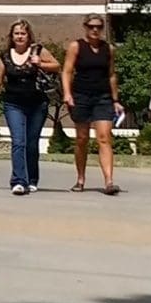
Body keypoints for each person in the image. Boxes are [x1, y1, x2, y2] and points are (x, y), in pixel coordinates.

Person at [0, 19, 58, 195]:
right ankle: (18, 181)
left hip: (37, 104)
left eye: (23, 33)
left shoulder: (38, 51)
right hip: (13, 104)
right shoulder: (5, 57)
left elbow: (57, 66)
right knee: (18, 141)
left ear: (28, 35)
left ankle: (32, 179)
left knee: (31, 144)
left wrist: (40, 63)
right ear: (12, 36)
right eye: (16, 33)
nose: (19, 36)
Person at [61, 16, 122, 194]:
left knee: (104, 138)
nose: (95, 30)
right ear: (85, 27)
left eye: (98, 27)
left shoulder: (108, 49)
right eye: (91, 27)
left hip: (102, 97)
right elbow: (67, 71)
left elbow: (111, 74)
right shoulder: (76, 46)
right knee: (82, 139)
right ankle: (80, 179)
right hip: (81, 96)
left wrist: (115, 99)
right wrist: (67, 93)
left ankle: (109, 182)